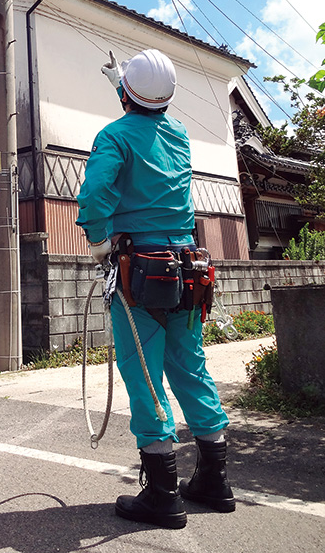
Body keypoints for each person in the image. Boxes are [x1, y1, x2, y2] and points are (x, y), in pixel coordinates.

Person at [76, 48, 234, 530]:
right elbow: (146, 116)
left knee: (143, 374)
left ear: (128, 94)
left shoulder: (113, 135)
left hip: (137, 273)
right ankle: (214, 480)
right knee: (191, 369)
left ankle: (163, 495)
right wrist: (121, 82)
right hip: (187, 269)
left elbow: (94, 195)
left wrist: (101, 242)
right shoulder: (179, 136)